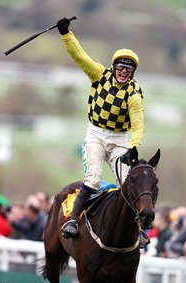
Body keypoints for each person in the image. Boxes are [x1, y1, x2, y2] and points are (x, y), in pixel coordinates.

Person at [56, 17, 145, 240]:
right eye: (121, 67)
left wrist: (133, 146)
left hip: (120, 140)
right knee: (93, 179)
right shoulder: (98, 74)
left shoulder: (134, 93)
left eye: (129, 69)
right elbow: (79, 55)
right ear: (114, 66)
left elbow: (138, 123)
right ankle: (73, 221)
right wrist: (66, 34)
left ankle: (138, 230)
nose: (124, 72)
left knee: (128, 183)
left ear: (133, 72)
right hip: (96, 135)